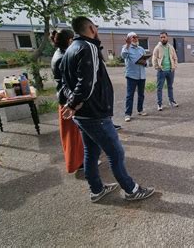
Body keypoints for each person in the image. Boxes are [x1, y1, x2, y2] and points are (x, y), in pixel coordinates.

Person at [59, 16, 155, 203]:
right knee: (115, 153)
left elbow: (64, 82)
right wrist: (73, 103)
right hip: (95, 113)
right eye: (96, 26)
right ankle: (131, 190)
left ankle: (96, 189)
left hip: (83, 115)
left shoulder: (70, 49)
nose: (97, 30)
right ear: (90, 28)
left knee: (91, 151)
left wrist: (71, 103)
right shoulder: (89, 48)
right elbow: (87, 82)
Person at [51, 29, 85, 173]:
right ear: (70, 40)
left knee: (75, 133)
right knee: (72, 134)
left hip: (66, 99)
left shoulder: (61, 54)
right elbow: (66, 83)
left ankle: (80, 160)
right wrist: (73, 102)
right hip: (67, 101)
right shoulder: (62, 57)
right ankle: (77, 163)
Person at [121, 32, 148, 122]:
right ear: (129, 39)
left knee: (141, 94)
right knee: (130, 95)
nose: (135, 39)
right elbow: (123, 56)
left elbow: (147, 62)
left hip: (142, 75)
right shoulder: (126, 48)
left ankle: (140, 110)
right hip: (131, 75)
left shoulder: (141, 49)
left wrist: (145, 63)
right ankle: (128, 114)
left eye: (136, 37)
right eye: (133, 37)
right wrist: (127, 45)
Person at [152, 32, 179, 111]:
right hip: (162, 71)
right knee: (159, 88)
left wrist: (174, 66)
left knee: (170, 87)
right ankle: (159, 104)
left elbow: (175, 57)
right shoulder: (157, 47)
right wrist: (157, 67)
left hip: (170, 70)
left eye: (164, 37)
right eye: (161, 37)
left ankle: (171, 101)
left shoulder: (170, 47)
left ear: (167, 37)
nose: (162, 39)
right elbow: (154, 58)